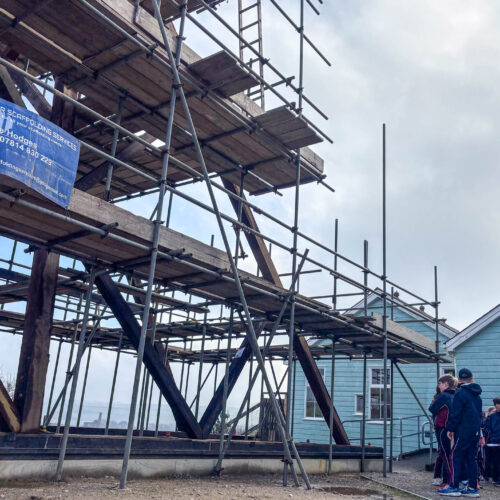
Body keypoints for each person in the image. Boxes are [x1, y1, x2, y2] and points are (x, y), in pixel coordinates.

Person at [438, 368, 482, 498]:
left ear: (458, 380)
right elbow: (479, 415)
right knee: (471, 459)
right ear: (472, 379)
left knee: (455, 456)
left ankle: (454, 486)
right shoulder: (477, 395)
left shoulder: (460, 393)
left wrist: (450, 429)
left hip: (462, 431)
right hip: (475, 431)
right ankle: (472, 488)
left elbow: (456, 413)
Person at [429, 374, 457, 489]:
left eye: (440, 384)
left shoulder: (443, 395)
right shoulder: (457, 394)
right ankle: (445, 478)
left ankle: (448, 481)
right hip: (453, 427)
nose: (438, 386)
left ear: (446, 384)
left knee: (445, 454)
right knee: (448, 453)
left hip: (443, 427)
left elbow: (432, 408)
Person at [484, 397, 500, 486]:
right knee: (494, 461)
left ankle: (496, 478)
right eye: (497, 404)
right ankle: (495, 478)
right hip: (493, 442)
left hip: (494, 441)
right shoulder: (492, 416)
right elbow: (487, 428)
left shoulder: (492, 416)